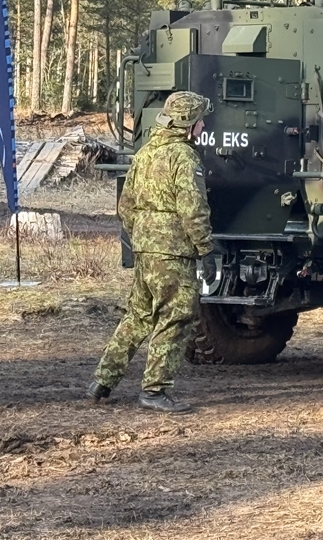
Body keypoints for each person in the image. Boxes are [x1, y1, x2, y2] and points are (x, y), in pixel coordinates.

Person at [86, 91, 215, 414]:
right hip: (173, 252)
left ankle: (103, 380)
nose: (203, 126)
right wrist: (206, 248)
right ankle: (155, 390)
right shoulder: (183, 158)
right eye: (201, 121)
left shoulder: (145, 154)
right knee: (176, 316)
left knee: (138, 315)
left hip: (145, 248)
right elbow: (192, 208)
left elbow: (125, 205)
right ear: (188, 124)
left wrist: (142, 236)